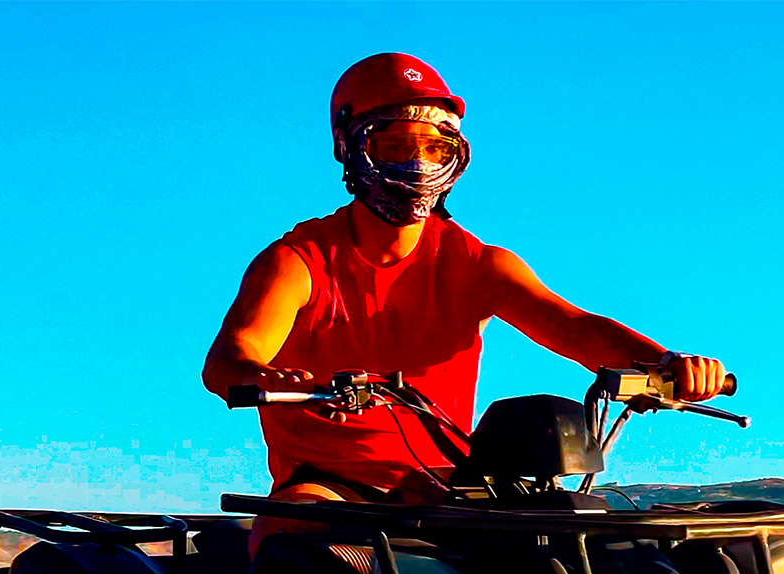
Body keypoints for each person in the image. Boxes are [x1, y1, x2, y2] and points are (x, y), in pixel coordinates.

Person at [202, 52, 728, 545]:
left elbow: (574, 327)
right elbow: (231, 357)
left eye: (437, 147)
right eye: (394, 146)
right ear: (349, 146)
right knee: (296, 536)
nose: (417, 164)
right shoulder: (299, 261)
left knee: (571, 556)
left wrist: (664, 364)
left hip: (451, 483)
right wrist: (262, 375)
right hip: (332, 487)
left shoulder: (477, 263)